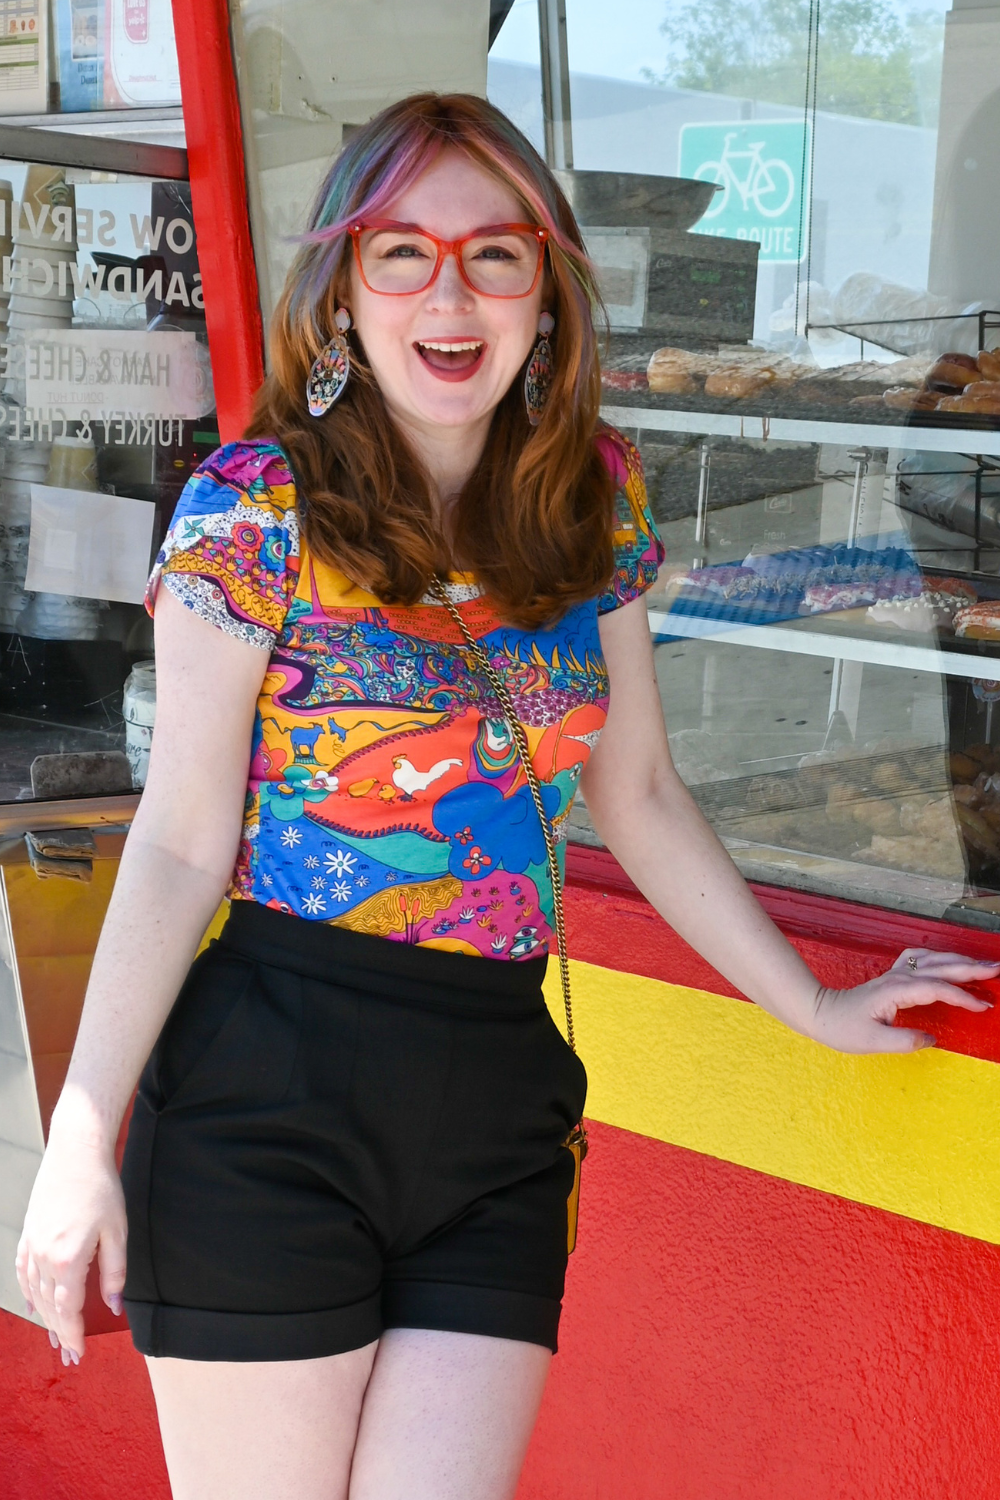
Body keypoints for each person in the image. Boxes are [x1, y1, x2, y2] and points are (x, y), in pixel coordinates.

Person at [15, 93, 998, 1500]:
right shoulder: (256, 507)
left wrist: (813, 1004)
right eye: (401, 252)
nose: (451, 292)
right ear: (342, 295)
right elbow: (178, 842)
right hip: (265, 1104)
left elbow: (641, 788)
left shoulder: (593, 501)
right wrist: (76, 1149)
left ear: (549, 293)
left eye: (497, 253)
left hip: (498, 1113)